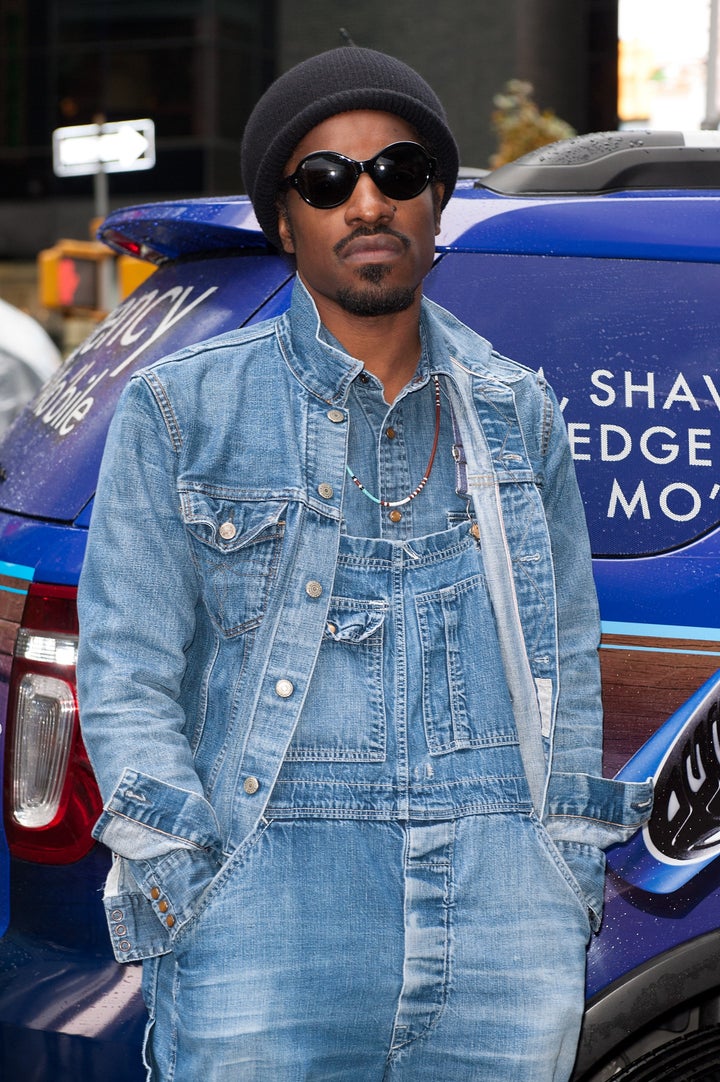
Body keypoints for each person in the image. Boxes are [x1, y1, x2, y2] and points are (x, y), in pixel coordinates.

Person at [77, 46, 653, 1082]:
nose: (366, 201)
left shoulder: (517, 410)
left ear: (436, 201)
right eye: (326, 180)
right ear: (284, 220)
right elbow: (125, 668)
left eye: (396, 171)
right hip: (266, 900)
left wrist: (560, 875)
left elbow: (566, 656)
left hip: (500, 916)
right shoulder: (179, 412)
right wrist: (182, 874)